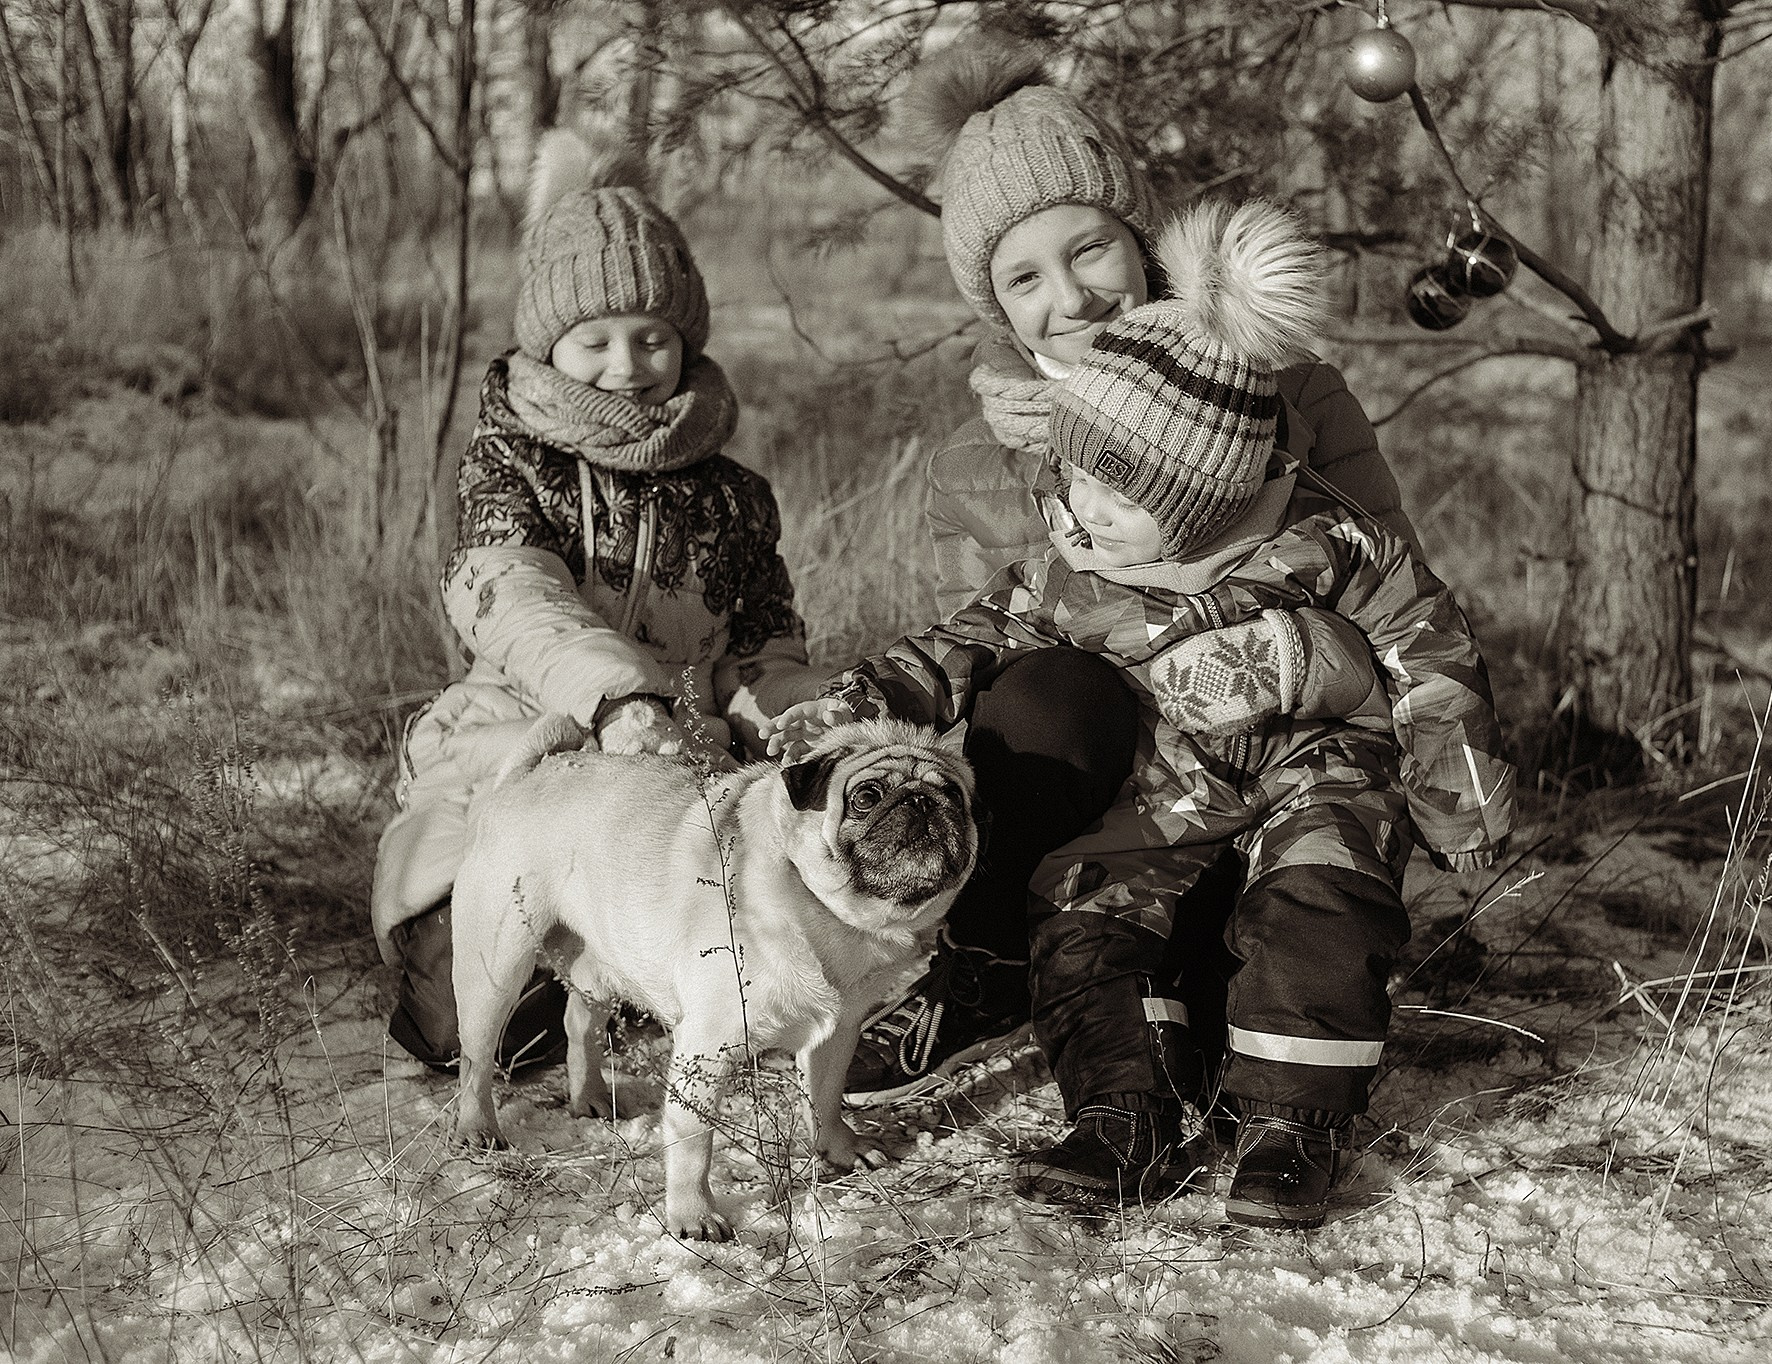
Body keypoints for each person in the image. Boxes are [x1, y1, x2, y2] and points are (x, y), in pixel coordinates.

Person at [776, 199, 1516, 1229]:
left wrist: (1455, 791)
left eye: (1108, 490)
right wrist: (857, 702)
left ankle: (1289, 1126)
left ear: (1202, 497)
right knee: (1077, 908)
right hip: (1163, 788)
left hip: (1314, 774)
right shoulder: (1074, 553)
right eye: (1071, 475)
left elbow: (1429, 648)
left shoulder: (1326, 540)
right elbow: (965, 638)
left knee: (1319, 909)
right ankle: (1121, 1111)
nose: (1074, 504)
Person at [841, 39, 1424, 1105]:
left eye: (1089, 248)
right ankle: (981, 964)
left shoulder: (1284, 383)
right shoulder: (986, 452)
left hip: (1265, 740)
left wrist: (1286, 652)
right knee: (1034, 695)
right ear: (993, 304)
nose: (1069, 296)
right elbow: (1004, 619)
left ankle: (1241, 950)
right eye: (1023, 276)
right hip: (1122, 780)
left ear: (1137, 235)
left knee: (1225, 1010)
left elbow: (1383, 574)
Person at [369, 129, 825, 1069]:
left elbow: (765, 644)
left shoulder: (733, 496)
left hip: (675, 769)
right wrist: (617, 698)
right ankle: (502, 961)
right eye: (595, 340)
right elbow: (508, 591)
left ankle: (637, 973)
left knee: (767, 964)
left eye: (652, 337)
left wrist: (788, 713)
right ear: (549, 344)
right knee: (468, 1029)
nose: (628, 364)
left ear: (685, 338)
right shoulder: (511, 461)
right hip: (519, 745)